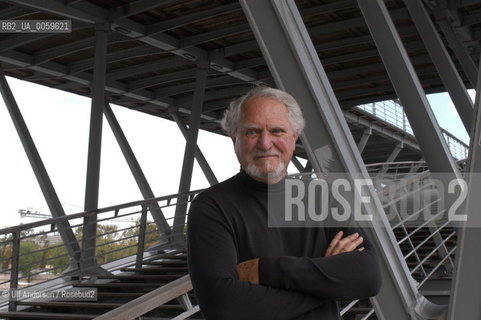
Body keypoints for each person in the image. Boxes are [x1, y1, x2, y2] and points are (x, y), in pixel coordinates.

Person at [187, 87, 381, 319]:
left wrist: (265, 269)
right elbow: (223, 308)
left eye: (277, 131)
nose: (265, 143)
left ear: (294, 138)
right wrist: (328, 283)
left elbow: (368, 276)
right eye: (252, 132)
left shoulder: (323, 197)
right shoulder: (211, 206)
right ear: (234, 139)